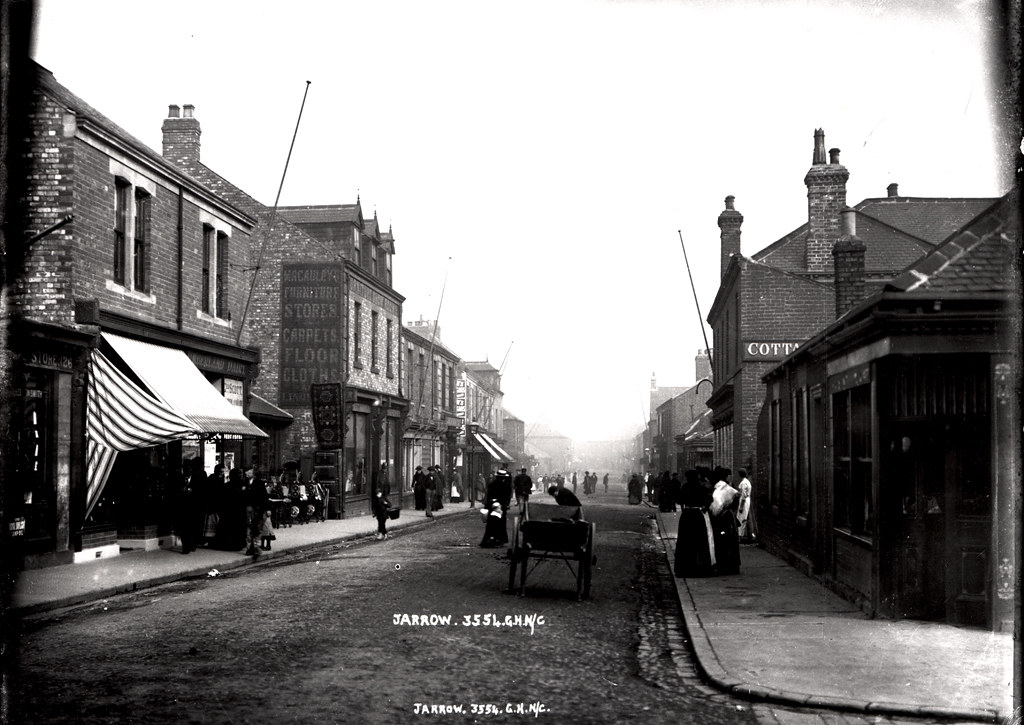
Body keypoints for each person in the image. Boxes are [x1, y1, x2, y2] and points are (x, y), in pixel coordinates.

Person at [674, 470, 716, 577]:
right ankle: (701, 568)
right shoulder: (702, 488)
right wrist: (705, 507)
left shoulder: (685, 487)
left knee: (685, 541)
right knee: (700, 541)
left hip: (687, 515)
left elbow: (679, 500)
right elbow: (710, 499)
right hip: (698, 515)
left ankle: (685, 568)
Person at [709, 467, 741, 575]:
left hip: (719, 517)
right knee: (730, 539)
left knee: (719, 540)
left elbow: (713, 505)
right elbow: (736, 501)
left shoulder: (716, 488)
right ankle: (732, 565)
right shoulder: (729, 487)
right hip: (728, 516)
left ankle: (721, 564)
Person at [480, 467, 513, 547]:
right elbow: (507, 497)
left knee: (491, 523)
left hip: (492, 505)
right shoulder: (506, 485)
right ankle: (500, 539)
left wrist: (487, 506)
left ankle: (488, 538)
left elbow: (488, 496)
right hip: (501, 506)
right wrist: (506, 504)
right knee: (501, 523)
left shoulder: (492, 484)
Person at [736, 468, 755, 543]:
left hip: (744, 501)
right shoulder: (747, 481)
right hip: (747, 500)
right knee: (745, 517)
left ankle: (741, 535)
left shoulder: (744, 483)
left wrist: (741, 506)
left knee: (741, 517)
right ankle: (745, 534)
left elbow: (743, 495)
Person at [372, 471, 392, 541]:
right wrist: (374, 513)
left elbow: (390, 505)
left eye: (379, 493)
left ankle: (384, 534)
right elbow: (374, 507)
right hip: (379, 514)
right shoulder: (376, 500)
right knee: (380, 524)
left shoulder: (384, 498)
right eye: (377, 494)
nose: (378, 495)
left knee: (382, 524)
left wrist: (386, 503)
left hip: (384, 514)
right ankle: (381, 534)